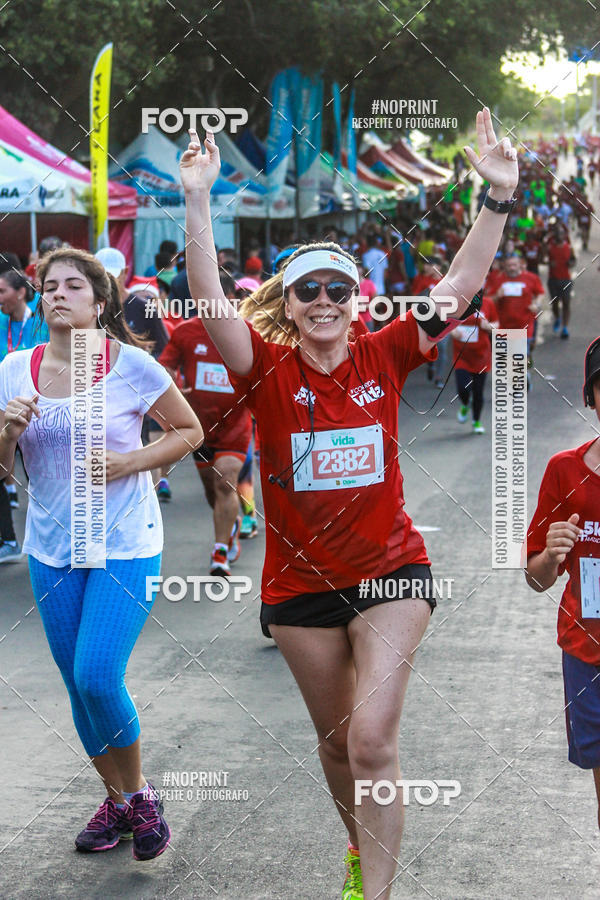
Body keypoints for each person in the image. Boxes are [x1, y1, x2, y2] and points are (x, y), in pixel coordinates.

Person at [181, 108, 518, 899]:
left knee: (370, 741)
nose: (324, 300)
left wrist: (497, 198)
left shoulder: (387, 348)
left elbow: (461, 286)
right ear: (289, 305)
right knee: (335, 748)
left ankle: (379, 892)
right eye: (308, 291)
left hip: (392, 574)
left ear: (355, 298)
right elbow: (206, 294)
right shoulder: (264, 369)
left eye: (337, 287)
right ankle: (361, 853)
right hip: (299, 590)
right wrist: (198, 197)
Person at [0, 248, 203, 859]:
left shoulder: (131, 365)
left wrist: (127, 463)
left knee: (96, 674)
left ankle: (139, 796)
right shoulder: (14, 367)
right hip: (52, 547)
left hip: (124, 541)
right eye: (48, 286)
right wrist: (6, 432)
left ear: (100, 300)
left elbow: (189, 431)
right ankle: (116, 802)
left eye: (72, 285)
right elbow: (2, 472)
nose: (57, 293)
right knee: (75, 685)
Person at [525, 337, 600, 831]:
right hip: (587, 651)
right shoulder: (564, 470)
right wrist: (550, 555)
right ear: (591, 395)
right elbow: (535, 578)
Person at [158, 285, 252, 576]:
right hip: (199, 428)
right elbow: (165, 367)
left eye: (226, 299)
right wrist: (172, 383)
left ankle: (219, 552)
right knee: (214, 492)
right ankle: (231, 520)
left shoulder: (246, 331)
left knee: (226, 481)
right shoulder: (186, 331)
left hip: (236, 424)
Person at [0, 269, 49, 559]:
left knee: (39, 476)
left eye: (3, 291)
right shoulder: (1, 322)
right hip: (4, 408)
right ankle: (8, 540)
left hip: (39, 412)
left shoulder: (41, 324)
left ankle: (52, 541)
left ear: (21, 292)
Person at [452, 293, 498, 433]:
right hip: (462, 356)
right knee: (463, 388)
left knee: (478, 392)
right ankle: (465, 404)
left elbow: (496, 324)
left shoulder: (488, 303)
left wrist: (488, 326)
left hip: (481, 356)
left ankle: (476, 422)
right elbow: (445, 322)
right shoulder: (455, 303)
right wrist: (453, 331)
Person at [545, 224, 575, 339]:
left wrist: (571, 263)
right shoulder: (549, 247)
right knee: (555, 303)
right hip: (553, 280)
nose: (560, 235)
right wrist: (549, 263)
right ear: (555, 235)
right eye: (558, 233)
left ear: (564, 235)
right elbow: (541, 259)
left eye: (562, 233)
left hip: (566, 279)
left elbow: (573, 260)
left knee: (566, 303)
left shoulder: (568, 247)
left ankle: (565, 328)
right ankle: (557, 318)